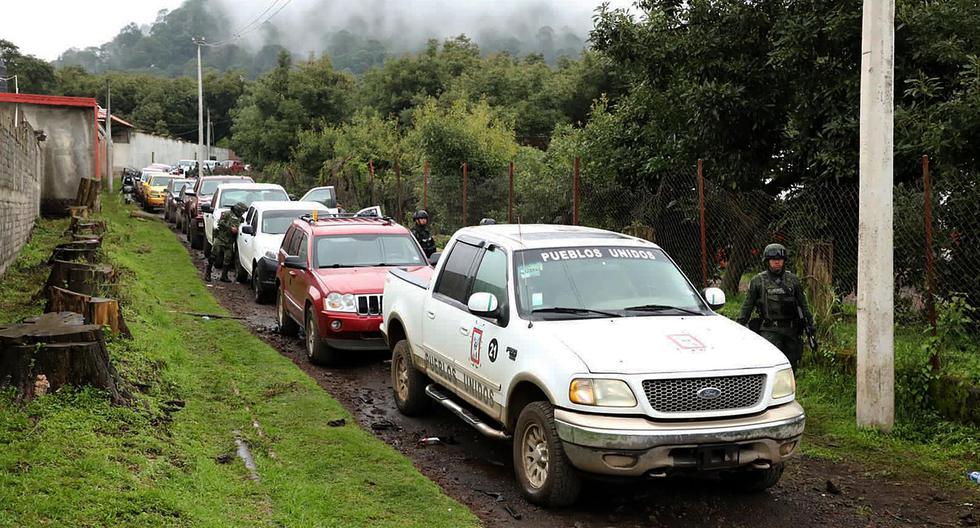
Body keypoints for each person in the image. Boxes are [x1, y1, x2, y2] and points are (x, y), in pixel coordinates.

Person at [736, 243, 815, 370]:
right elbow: (747, 306)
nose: (777, 262)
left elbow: (803, 304)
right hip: (770, 331)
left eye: (780, 260)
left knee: (791, 367)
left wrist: (810, 325)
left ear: (784, 261)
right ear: (767, 261)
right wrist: (739, 326)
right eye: (773, 260)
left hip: (791, 331)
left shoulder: (793, 280)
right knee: (772, 366)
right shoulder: (758, 281)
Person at [207, 202, 247, 282]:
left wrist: (237, 231)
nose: (242, 213)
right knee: (213, 255)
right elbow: (220, 223)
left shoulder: (241, 219)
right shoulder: (226, 214)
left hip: (230, 242)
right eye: (241, 211)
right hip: (220, 238)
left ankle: (224, 276)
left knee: (228, 258)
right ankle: (208, 273)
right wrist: (230, 228)